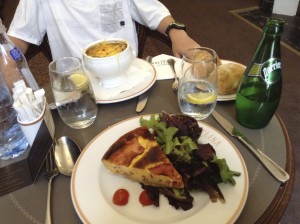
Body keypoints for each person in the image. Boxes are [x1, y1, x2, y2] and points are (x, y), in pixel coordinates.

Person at [7, 0, 199, 60]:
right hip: (77, 87)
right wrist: (6, 64)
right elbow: (18, 37)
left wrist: (177, 32)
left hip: (128, 75)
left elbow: (154, 12)